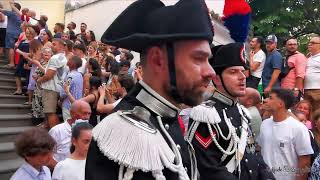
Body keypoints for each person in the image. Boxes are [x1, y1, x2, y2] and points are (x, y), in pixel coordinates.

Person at [85, 0, 215, 179]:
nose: (211, 72)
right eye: (198, 58)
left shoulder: (166, 116)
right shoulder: (126, 133)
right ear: (158, 59)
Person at [187, 43, 274, 180]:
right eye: (233, 72)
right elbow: (209, 169)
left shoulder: (242, 113)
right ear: (216, 78)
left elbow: (251, 154)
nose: (242, 77)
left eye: (243, 71)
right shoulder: (206, 115)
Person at [257, 89, 313, 180]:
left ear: (280, 104)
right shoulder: (264, 124)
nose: (265, 100)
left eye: (270, 98)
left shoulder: (298, 128)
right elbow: (260, 149)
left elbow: (304, 161)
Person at [48, 100, 91, 170]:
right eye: (84, 113)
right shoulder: (57, 131)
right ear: (72, 113)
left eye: (89, 114)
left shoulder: (91, 132)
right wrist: (63, 171)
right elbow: (46, 156)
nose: (87, 117)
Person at [36, 38, 68, 129]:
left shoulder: (55, 57)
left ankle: (55, 136)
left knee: (50, 113)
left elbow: (49, 75)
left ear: (61, 46)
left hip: (51, 89)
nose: (51, 45)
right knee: (49, 112)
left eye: (54, 44)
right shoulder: (62, 57)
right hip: (56, 88)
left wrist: (39, 80)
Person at [60, 55, 83, 121]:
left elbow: (63, 93)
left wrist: (60, 100)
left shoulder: (70, 76)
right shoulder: (80, 75)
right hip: (78, 104)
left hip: (68, 105)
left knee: (69, 126)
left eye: (69, 59)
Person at [304, 35, 320, 112]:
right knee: (308, 114)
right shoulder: (308, 58)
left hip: (317, 90)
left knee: (317, 113)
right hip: (306, 90)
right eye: (309, 42)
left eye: (313, 43)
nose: (309, 44)